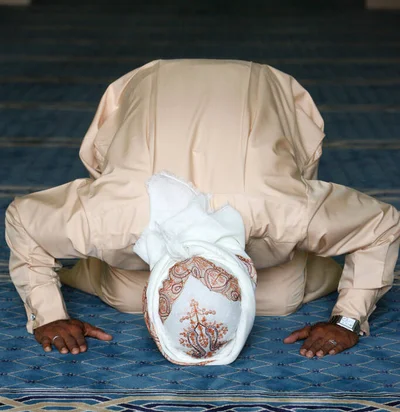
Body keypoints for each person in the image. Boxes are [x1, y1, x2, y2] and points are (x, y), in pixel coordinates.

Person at [5, 59, 400, 363]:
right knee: (279, 297)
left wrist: (347, 319)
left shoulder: (286, 211)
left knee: (274, 297)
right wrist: (48, 314)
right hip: (149, 95)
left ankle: (99, 277)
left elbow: (382, 224)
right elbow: (23, 219)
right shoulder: (109, 219)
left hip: (263, 104)